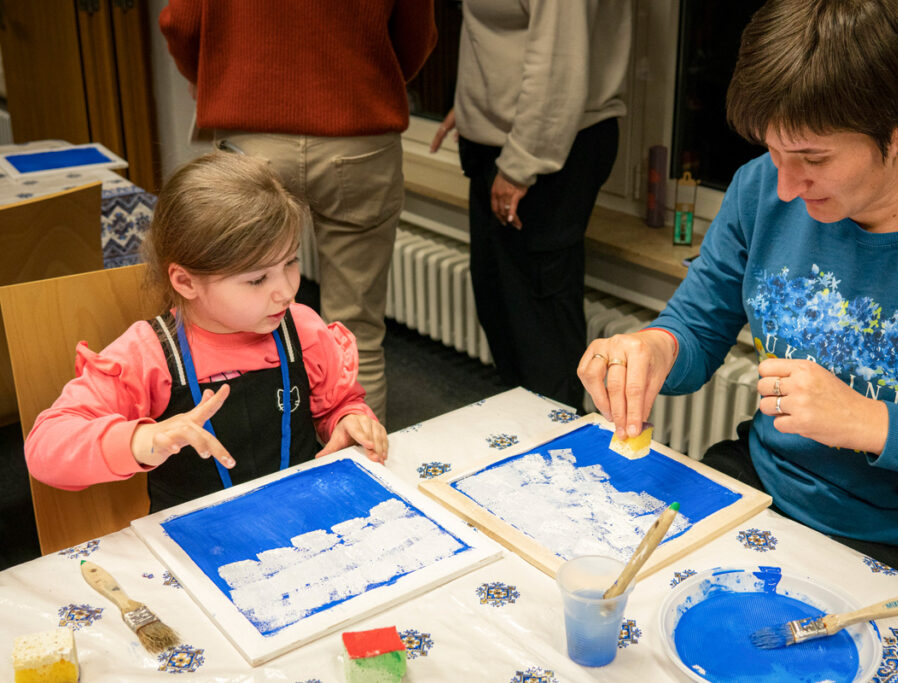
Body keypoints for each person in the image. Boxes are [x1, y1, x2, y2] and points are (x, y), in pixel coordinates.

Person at [578, 0, 898, 602]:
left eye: (814, 160)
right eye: (774, 152)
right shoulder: (762, 185)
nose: (786, 186)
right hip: (763, 481)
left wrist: (872, 423)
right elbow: (696, 325)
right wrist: (653, 348)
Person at [24, 152, 387, 512]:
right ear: (185, 281)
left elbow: (338, 404)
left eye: (291, 262)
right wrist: (142, 439)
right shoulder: (147, 356)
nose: (287, 291)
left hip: (302, 517)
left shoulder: (303, 329)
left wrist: (349, 421)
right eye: (258, 278)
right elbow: (45, 449)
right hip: (198, 542)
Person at [159, 1, 438, 425]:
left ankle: (254, 466)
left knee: (234, 325)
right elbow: (417, 35)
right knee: (357, 331)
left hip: (253, 131)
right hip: (359, 133)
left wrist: (209, 79)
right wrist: (366, 77)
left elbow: (179, 22)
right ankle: (361, 463)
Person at [430, 0, 632, 411]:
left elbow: (560, 60)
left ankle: (560, 458)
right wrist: (474, 107)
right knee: (503, 315)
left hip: (544, 150)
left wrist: (521, 163)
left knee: (541, 340)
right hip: (511, 141)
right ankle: (527, 449)